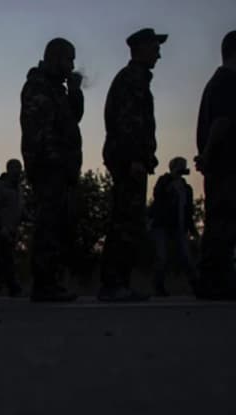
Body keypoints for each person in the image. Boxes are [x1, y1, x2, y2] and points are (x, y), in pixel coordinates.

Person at [100, 28, 167, 302]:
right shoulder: (131, 79)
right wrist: (135, 159)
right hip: (129, 161)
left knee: (129, 221)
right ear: (141, 48)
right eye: (155, 48)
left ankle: (119, 283)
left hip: (130, 159)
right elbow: (127, 123)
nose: (159, 55)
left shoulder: (135, 79)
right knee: (125, 222)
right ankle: (114, 284)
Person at [20, 38, 83, 302]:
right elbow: (39, 130)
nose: (72, 66)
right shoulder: (38, 86)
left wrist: (75, 90)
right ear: (56, 58)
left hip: (60, 167)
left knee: (58, 225)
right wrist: (53, 162)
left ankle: (52, 281)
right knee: (48, 224)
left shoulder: (57, 88)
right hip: (49, 166)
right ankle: (44, 284)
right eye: (69, 59)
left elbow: (73, 117)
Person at [194, 30, 236, 300]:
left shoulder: (217, 82)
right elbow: (222, 122)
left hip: (220, 165)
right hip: (226, 165)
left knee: (219, 222)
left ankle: (212, 280)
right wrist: (208, 154)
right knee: (224, 223)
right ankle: (215, 282)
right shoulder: (228, 82)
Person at [149, 157, 199, 296]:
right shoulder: (164, 181)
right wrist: (170, 184)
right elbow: (158, 195)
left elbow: (188, 211)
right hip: (162, 225)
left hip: (179, 226)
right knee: (161, 257)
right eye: (181, 166)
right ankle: (158, 286)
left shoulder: (187, 188)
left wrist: (192, 229)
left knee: (186, 257)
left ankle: (196, 285)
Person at [0, 159, 25, 297]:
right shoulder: (0, 187)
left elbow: (20, 208)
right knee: (8, 258)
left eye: (19, 168)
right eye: (15, 168)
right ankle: (14, 288)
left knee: (2, 260)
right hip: (2, 228)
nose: (18, 171)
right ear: (8, 169)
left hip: (14, 229)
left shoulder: (19, 188)